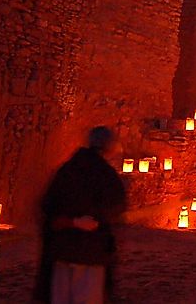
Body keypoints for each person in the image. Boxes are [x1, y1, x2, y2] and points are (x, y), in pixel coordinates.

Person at [35, 126, 127, 304]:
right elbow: (114, 209)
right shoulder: (105, 175)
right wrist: (78, 222)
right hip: (90, 255)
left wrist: (70, 222)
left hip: (62, 253)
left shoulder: (67, 170)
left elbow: (48, 206)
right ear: (109, 148)